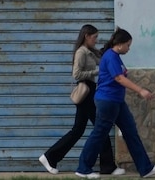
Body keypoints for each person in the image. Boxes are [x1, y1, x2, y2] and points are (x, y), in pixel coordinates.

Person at [75, 28, 155, 180]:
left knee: (130, 132)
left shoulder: (115, 56)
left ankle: (145, 168)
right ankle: (83, 168)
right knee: (99, 134)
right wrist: (140, 90)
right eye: (128, 45)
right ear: (120, 44)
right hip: (107, 101)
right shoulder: (110, 56)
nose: (129, 48)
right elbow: (119, 79)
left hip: (117, 101)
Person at [41, 24, 121, 176]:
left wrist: (112, 42)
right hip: (86, 93)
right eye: (94, 37)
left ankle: (50, 157)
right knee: (100, 127)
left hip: (90, 91)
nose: (96, 40)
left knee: (80, 130)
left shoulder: (90, 51)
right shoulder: (81, 52)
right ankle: (106, 166)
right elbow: (76, 74)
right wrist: (98, 71)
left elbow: (102, 58)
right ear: (86, 36)